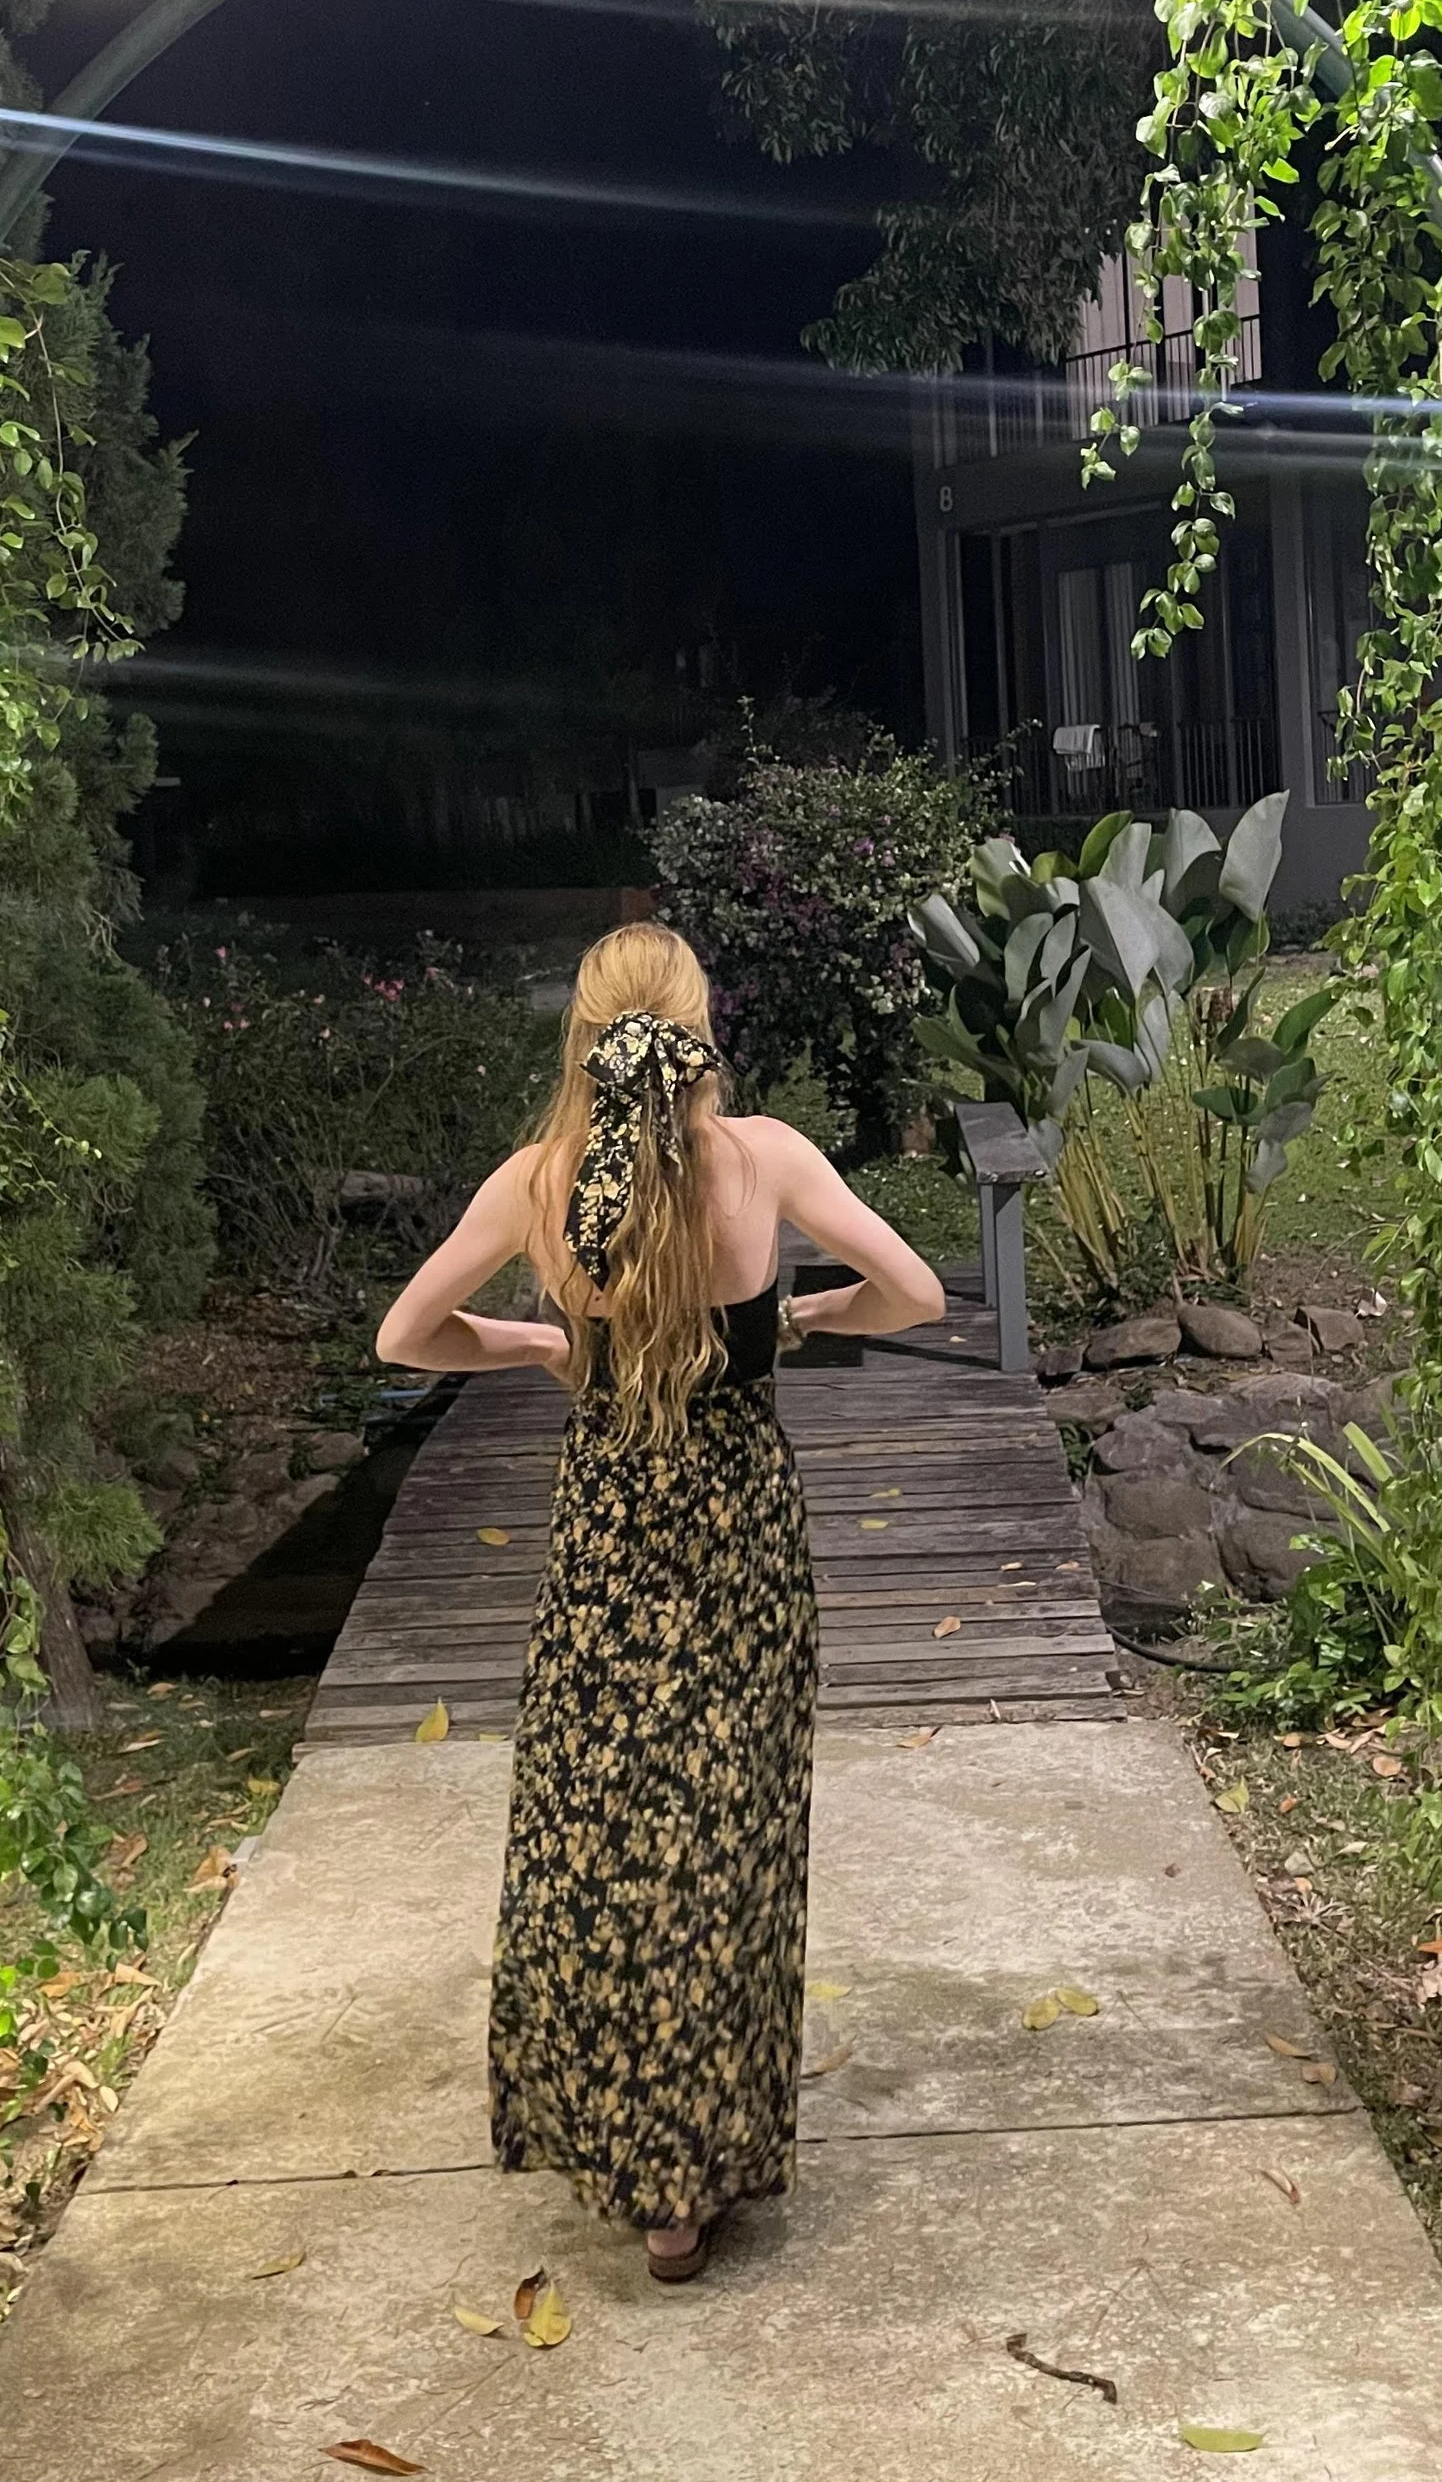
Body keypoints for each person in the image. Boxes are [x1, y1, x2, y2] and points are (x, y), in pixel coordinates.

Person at [375, 920, 945, 2283]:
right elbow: (914, 1293)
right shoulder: (771, 1163)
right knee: (726, 1833)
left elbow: (404, 1335)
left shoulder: (538, 1182)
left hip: (609, 1544)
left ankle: (638, 2168)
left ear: (585, 1037)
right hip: (741, 1536)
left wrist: (535, 1340)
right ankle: (710, 2155)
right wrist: (798, 1323)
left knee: (610, 1837)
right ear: (701, 1032)